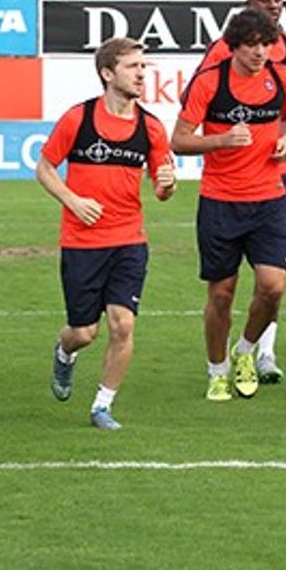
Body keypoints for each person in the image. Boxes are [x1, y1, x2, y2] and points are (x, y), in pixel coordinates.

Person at [37, 38, 176, 430]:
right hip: (82, 243)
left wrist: (167, 183)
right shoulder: (78, 119)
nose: (141, 74)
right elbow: (44, 168)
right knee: (84, 332)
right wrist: (72, 200)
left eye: (144, 66)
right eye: (133, 66)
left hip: (129, 240)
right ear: (107, 73)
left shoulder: (151, 127)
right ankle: (64, 352)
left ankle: (102, 405)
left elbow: (162, 189)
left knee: (122, 324)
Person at [172, 8, 286, 401]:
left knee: (273, 287)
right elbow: (179, 140)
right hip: (221, 200)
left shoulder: (281, 77)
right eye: (251, 45)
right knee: (222, 293)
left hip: (269, 197)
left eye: (266, 44)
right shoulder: (210, 82)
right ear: (234, 47)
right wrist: (221, 140)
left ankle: (245, 350)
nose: (260, 52)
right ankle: (217, 370)